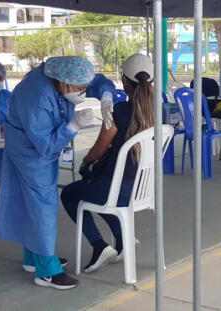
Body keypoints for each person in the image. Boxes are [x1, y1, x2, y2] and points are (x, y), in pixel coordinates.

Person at [0, 56, 116, 290]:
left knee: (29, 201)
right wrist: (73, 126)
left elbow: (95, 81)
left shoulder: (65, 74)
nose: (82, 92)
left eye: (84, 88)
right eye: (79, 89)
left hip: (37, 144)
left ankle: (34, 257)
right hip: (30, 150)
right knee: (43, 204)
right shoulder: (37, 98)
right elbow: (46, 145)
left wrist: (107, 97)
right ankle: (47, 272)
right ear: (63, 83)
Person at [60, 54, 154, 274]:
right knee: (97, 192)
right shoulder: (159, 113)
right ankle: (123, 239)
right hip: (142, 190)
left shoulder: (120, 111)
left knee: (71, 194)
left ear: (124, 80)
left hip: (116, 190)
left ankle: (99, 245)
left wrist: (86, 161)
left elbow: (99, 149)